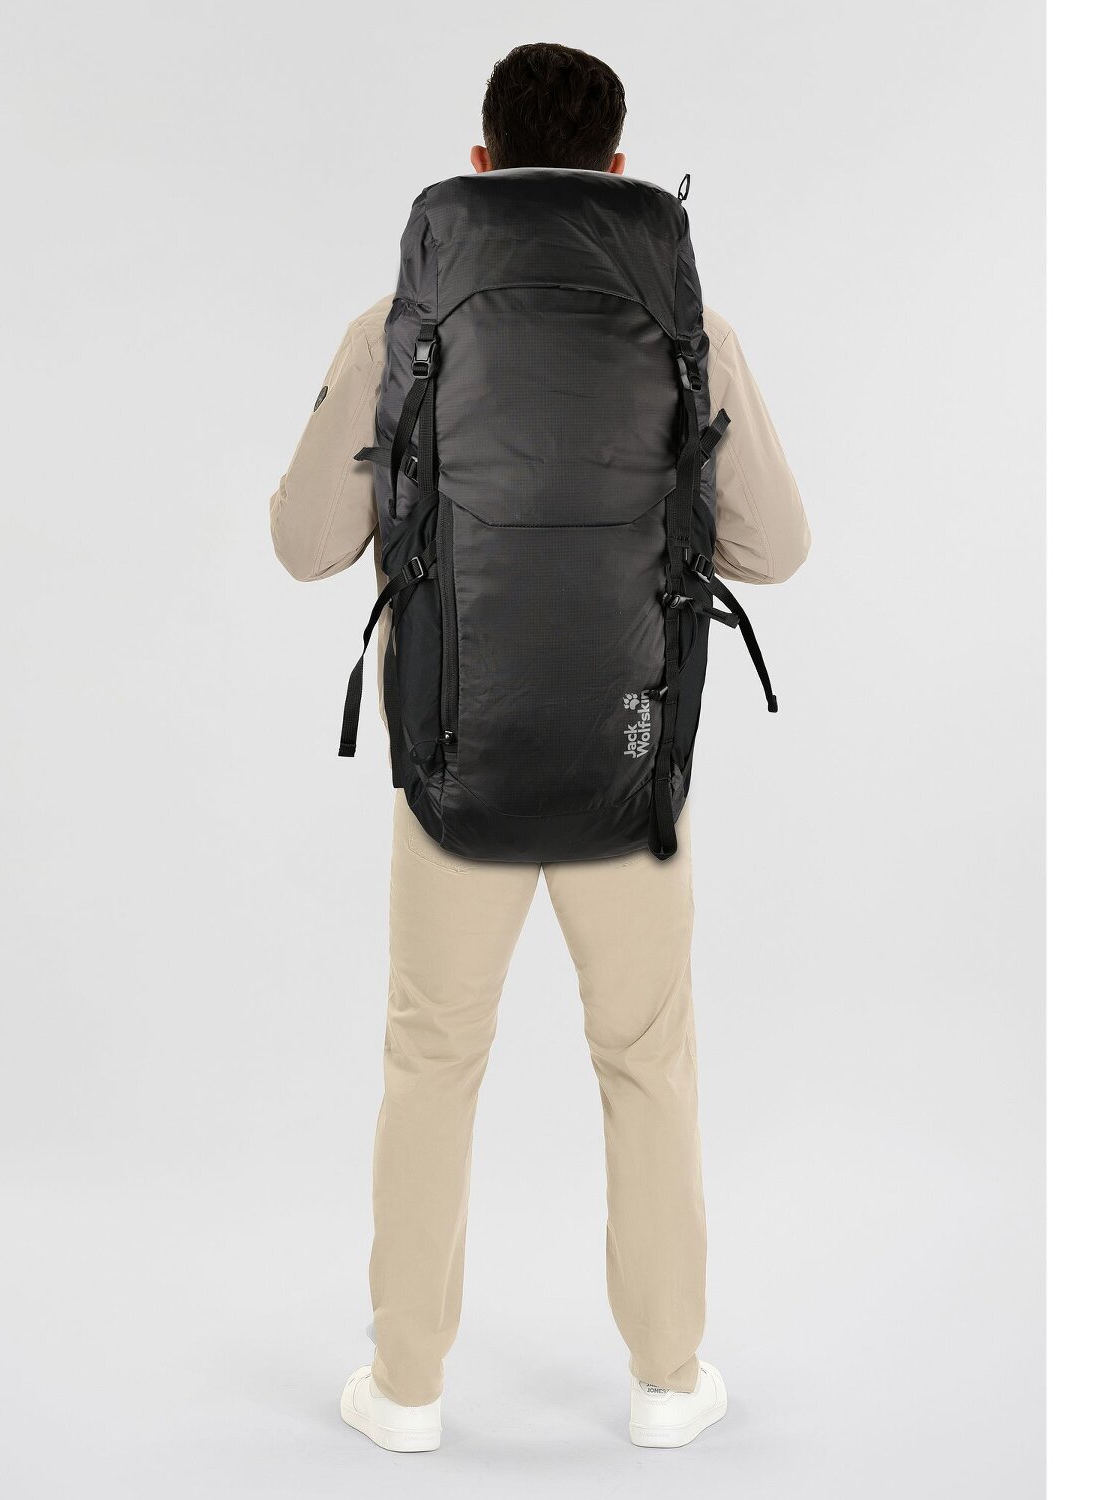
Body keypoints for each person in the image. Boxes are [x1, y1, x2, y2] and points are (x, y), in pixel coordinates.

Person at [269, 41, 811, 1452]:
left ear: (483, 160)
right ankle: (668, 1381)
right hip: (633, 772)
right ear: (620, 170)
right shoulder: (693, 329)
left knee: (432, 1059)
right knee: (646, 1060)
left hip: (456, 761)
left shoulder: (397, 326)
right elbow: (776, 549)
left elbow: (304, 545)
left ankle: (405, 1392)